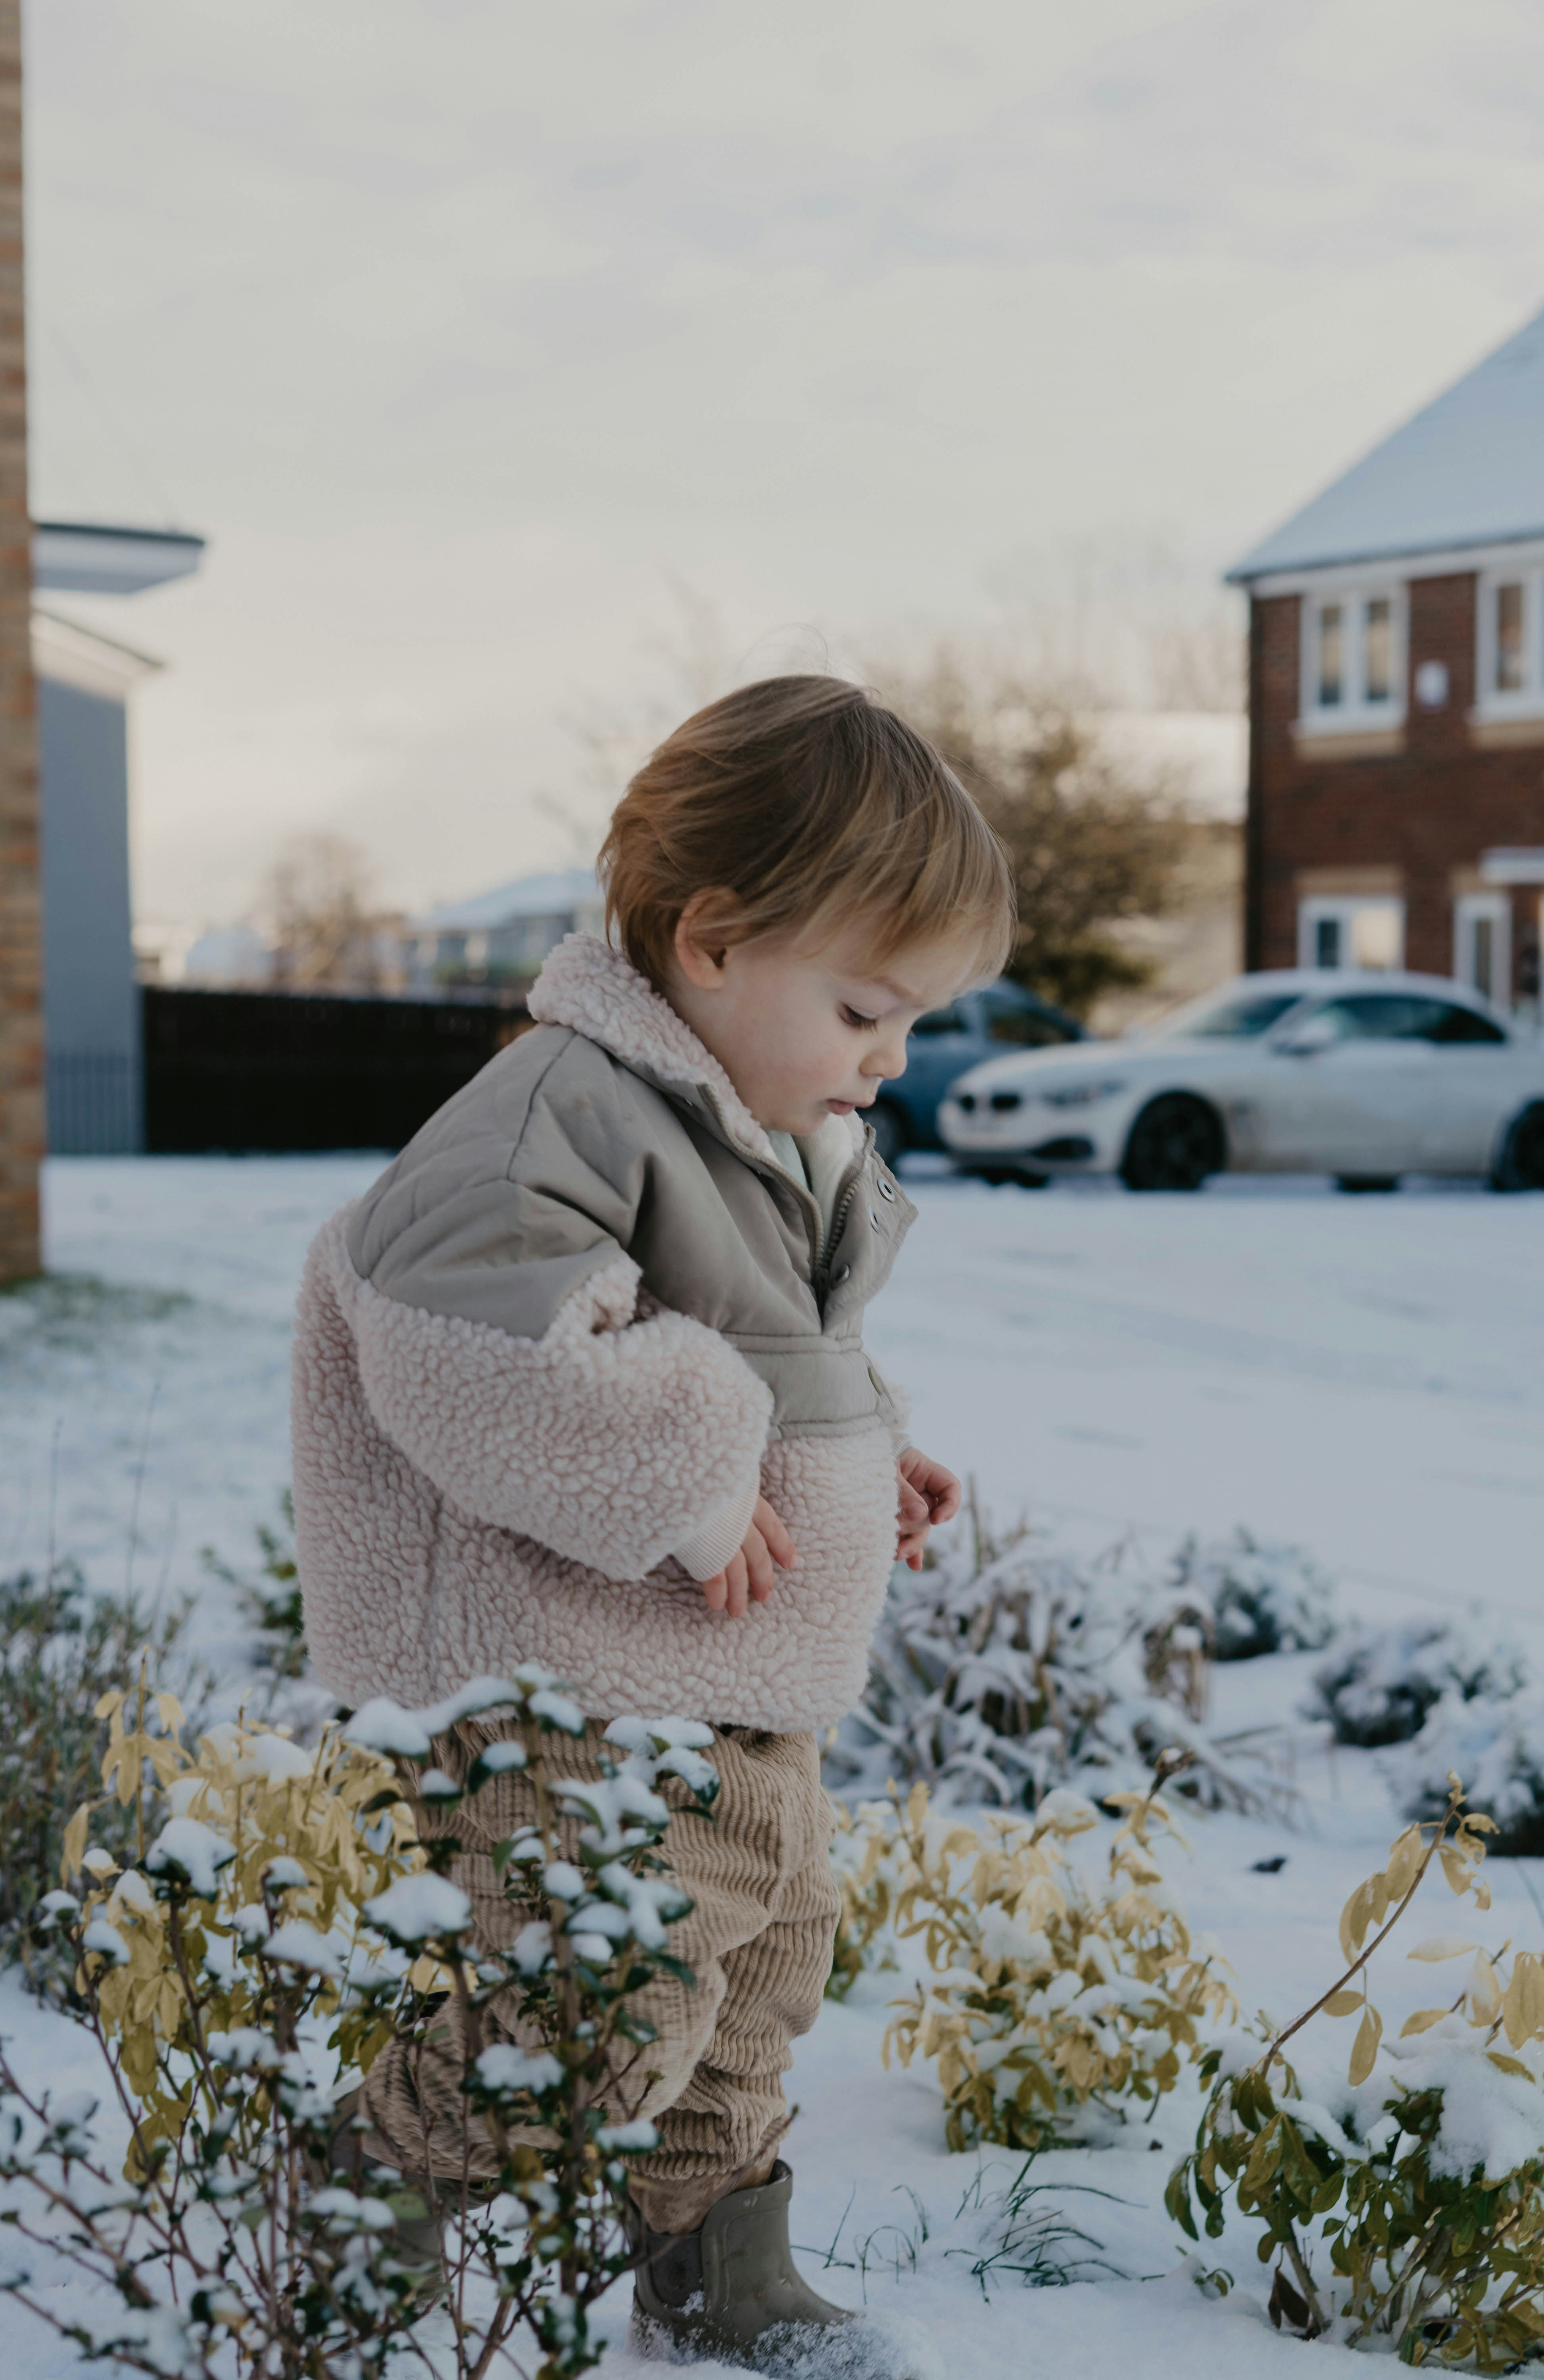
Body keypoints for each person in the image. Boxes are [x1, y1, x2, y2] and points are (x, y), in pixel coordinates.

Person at [291, 674, 1016, 2367]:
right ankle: (350, 2193)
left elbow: (785, 1351)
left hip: (740, 1676)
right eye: (863, 1009)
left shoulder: (767, 1124)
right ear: (709, 942)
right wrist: (695, 1489)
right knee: (600, 2001)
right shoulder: (565, 1109)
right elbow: (471, 1344)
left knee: (758, 1976)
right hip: (574, 1688)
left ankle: (712, 2265)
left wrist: (867, 1448)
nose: (889, 1060)